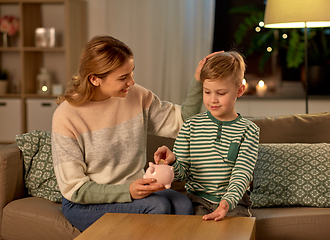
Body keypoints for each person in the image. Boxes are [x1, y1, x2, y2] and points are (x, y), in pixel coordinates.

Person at [51, 35, 219, 231]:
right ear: (95, 79)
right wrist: (127, 191)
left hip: (135, 190)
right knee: (158, 206)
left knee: (182, 204)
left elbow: (182, 122)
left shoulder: (136, 96)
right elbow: (75, 189)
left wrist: (199, 81)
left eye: (131, 73)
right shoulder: (67, 116)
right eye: (123, 77)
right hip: (84, 203)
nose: (131, 82)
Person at [154, 51, 260, 221]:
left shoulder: (249, 131)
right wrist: (172, 161)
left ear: (239, 90)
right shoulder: (190, 126)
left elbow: (243, 172)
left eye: (221, 93)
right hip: (196, 201)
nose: (213, 100)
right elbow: (182, 174)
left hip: (234, 203)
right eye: (207, 92)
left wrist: (227, 202)